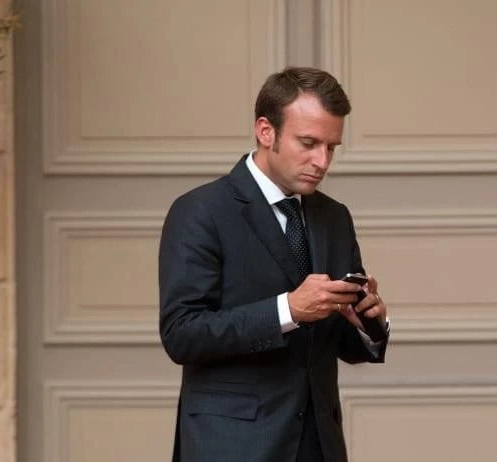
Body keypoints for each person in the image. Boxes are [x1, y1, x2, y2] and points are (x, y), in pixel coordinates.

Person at [159, 66, 389, 462]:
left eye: (331, 147)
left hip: (318, 446)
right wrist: (288, 310)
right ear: (266, 131)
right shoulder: (200, 211)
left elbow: (344, 347)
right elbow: (182, 334)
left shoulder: (334, 217)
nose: (322, 161)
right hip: (231, 446)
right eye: (309, 143)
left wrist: (369, 322)